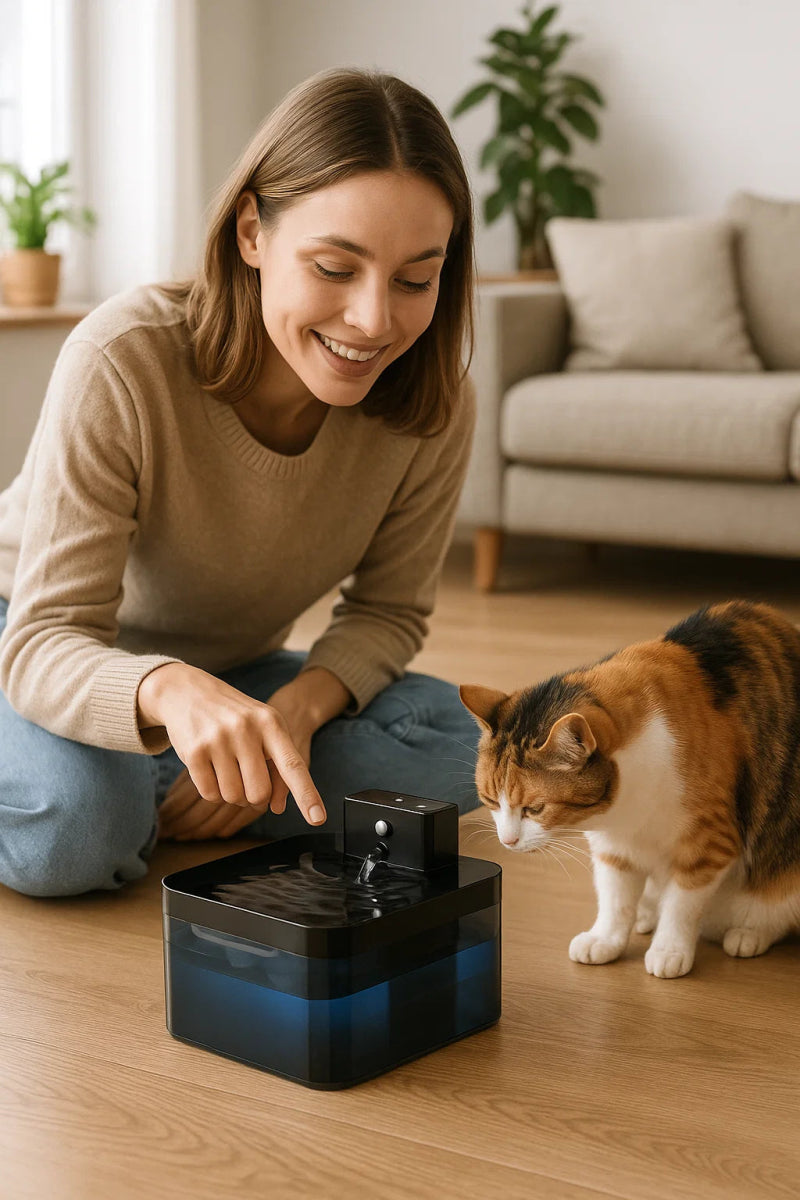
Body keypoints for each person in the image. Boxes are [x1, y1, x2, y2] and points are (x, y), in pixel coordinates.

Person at [0, 68, 481, 898]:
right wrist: (167, 692)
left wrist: (295, 710)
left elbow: (388, 612)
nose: (374, 320)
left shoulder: (432, 402)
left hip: (234, 672)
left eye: (414, 280)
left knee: (471, 751)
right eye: (336, 266)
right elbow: (48, 640)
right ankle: (138, 782)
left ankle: (184, 775)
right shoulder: (126, 358)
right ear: (252, 232)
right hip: (41, 638)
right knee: (72, 830)